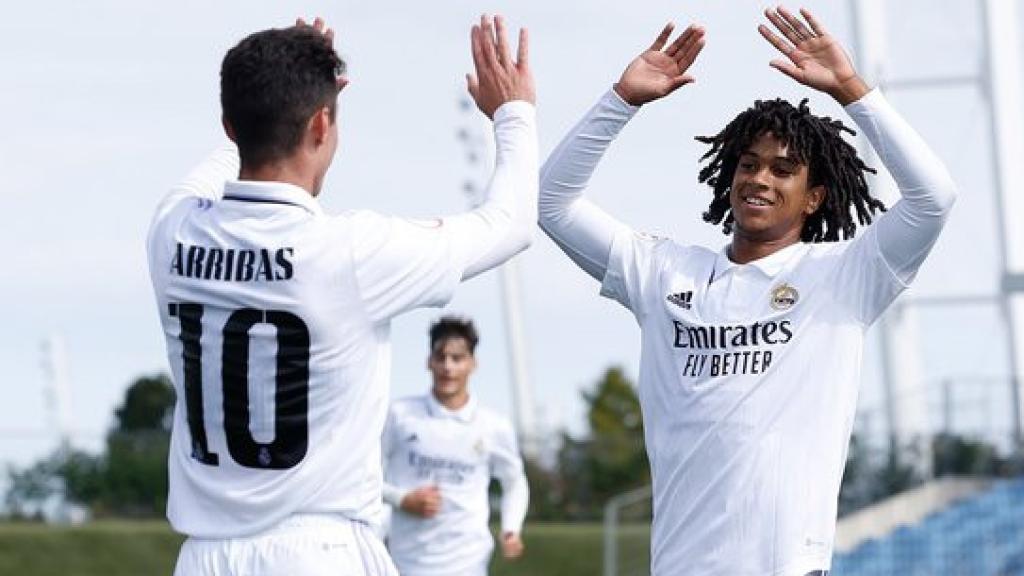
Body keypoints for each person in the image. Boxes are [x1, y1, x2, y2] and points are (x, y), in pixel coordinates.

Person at [538, 6, 955, 576]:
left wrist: (853, 92)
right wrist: (621, 101)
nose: (759, 178)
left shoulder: (844, 274)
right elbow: (552, 204)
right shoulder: (664, 271)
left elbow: (934, 198)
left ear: (814, 198)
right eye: (750, 163)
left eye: (784, 170)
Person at [146, 14, 536, 576]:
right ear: (322, 126)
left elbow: (228, 151)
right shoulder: (351, 252)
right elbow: (512, 223)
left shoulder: (172, 231)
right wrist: (513, 112)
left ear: (229, 126)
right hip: (317, 551)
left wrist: (279, 93)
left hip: (203, 557)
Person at [381, 316, 528, 576]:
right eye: (441, 357)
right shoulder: (399, 415)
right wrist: (403, 499)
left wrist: (511, 528)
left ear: (473, 363)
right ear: (429, 362)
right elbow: (362, 475)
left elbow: (514, 482)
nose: (448, 366)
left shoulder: (493, 425)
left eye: (457, 358)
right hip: (404, 562)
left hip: (467, 563)